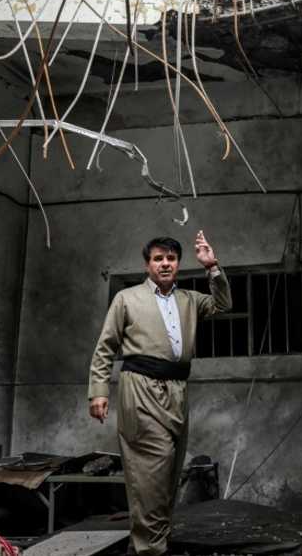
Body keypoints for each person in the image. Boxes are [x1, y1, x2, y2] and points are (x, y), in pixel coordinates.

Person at [87, 230, 232, 556]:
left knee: (168, 474)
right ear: (147, 264)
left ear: (178, 263)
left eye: (171, 258)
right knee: (149, 476)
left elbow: (223, 304)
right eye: (158, 258)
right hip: (140, 389)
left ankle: (153, 544)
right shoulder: (128, 298)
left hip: (177, 392)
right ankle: (148, 549)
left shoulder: (189, 300)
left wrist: (212, 267)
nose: (165, 264)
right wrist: (99, 391)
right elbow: (105, 347)